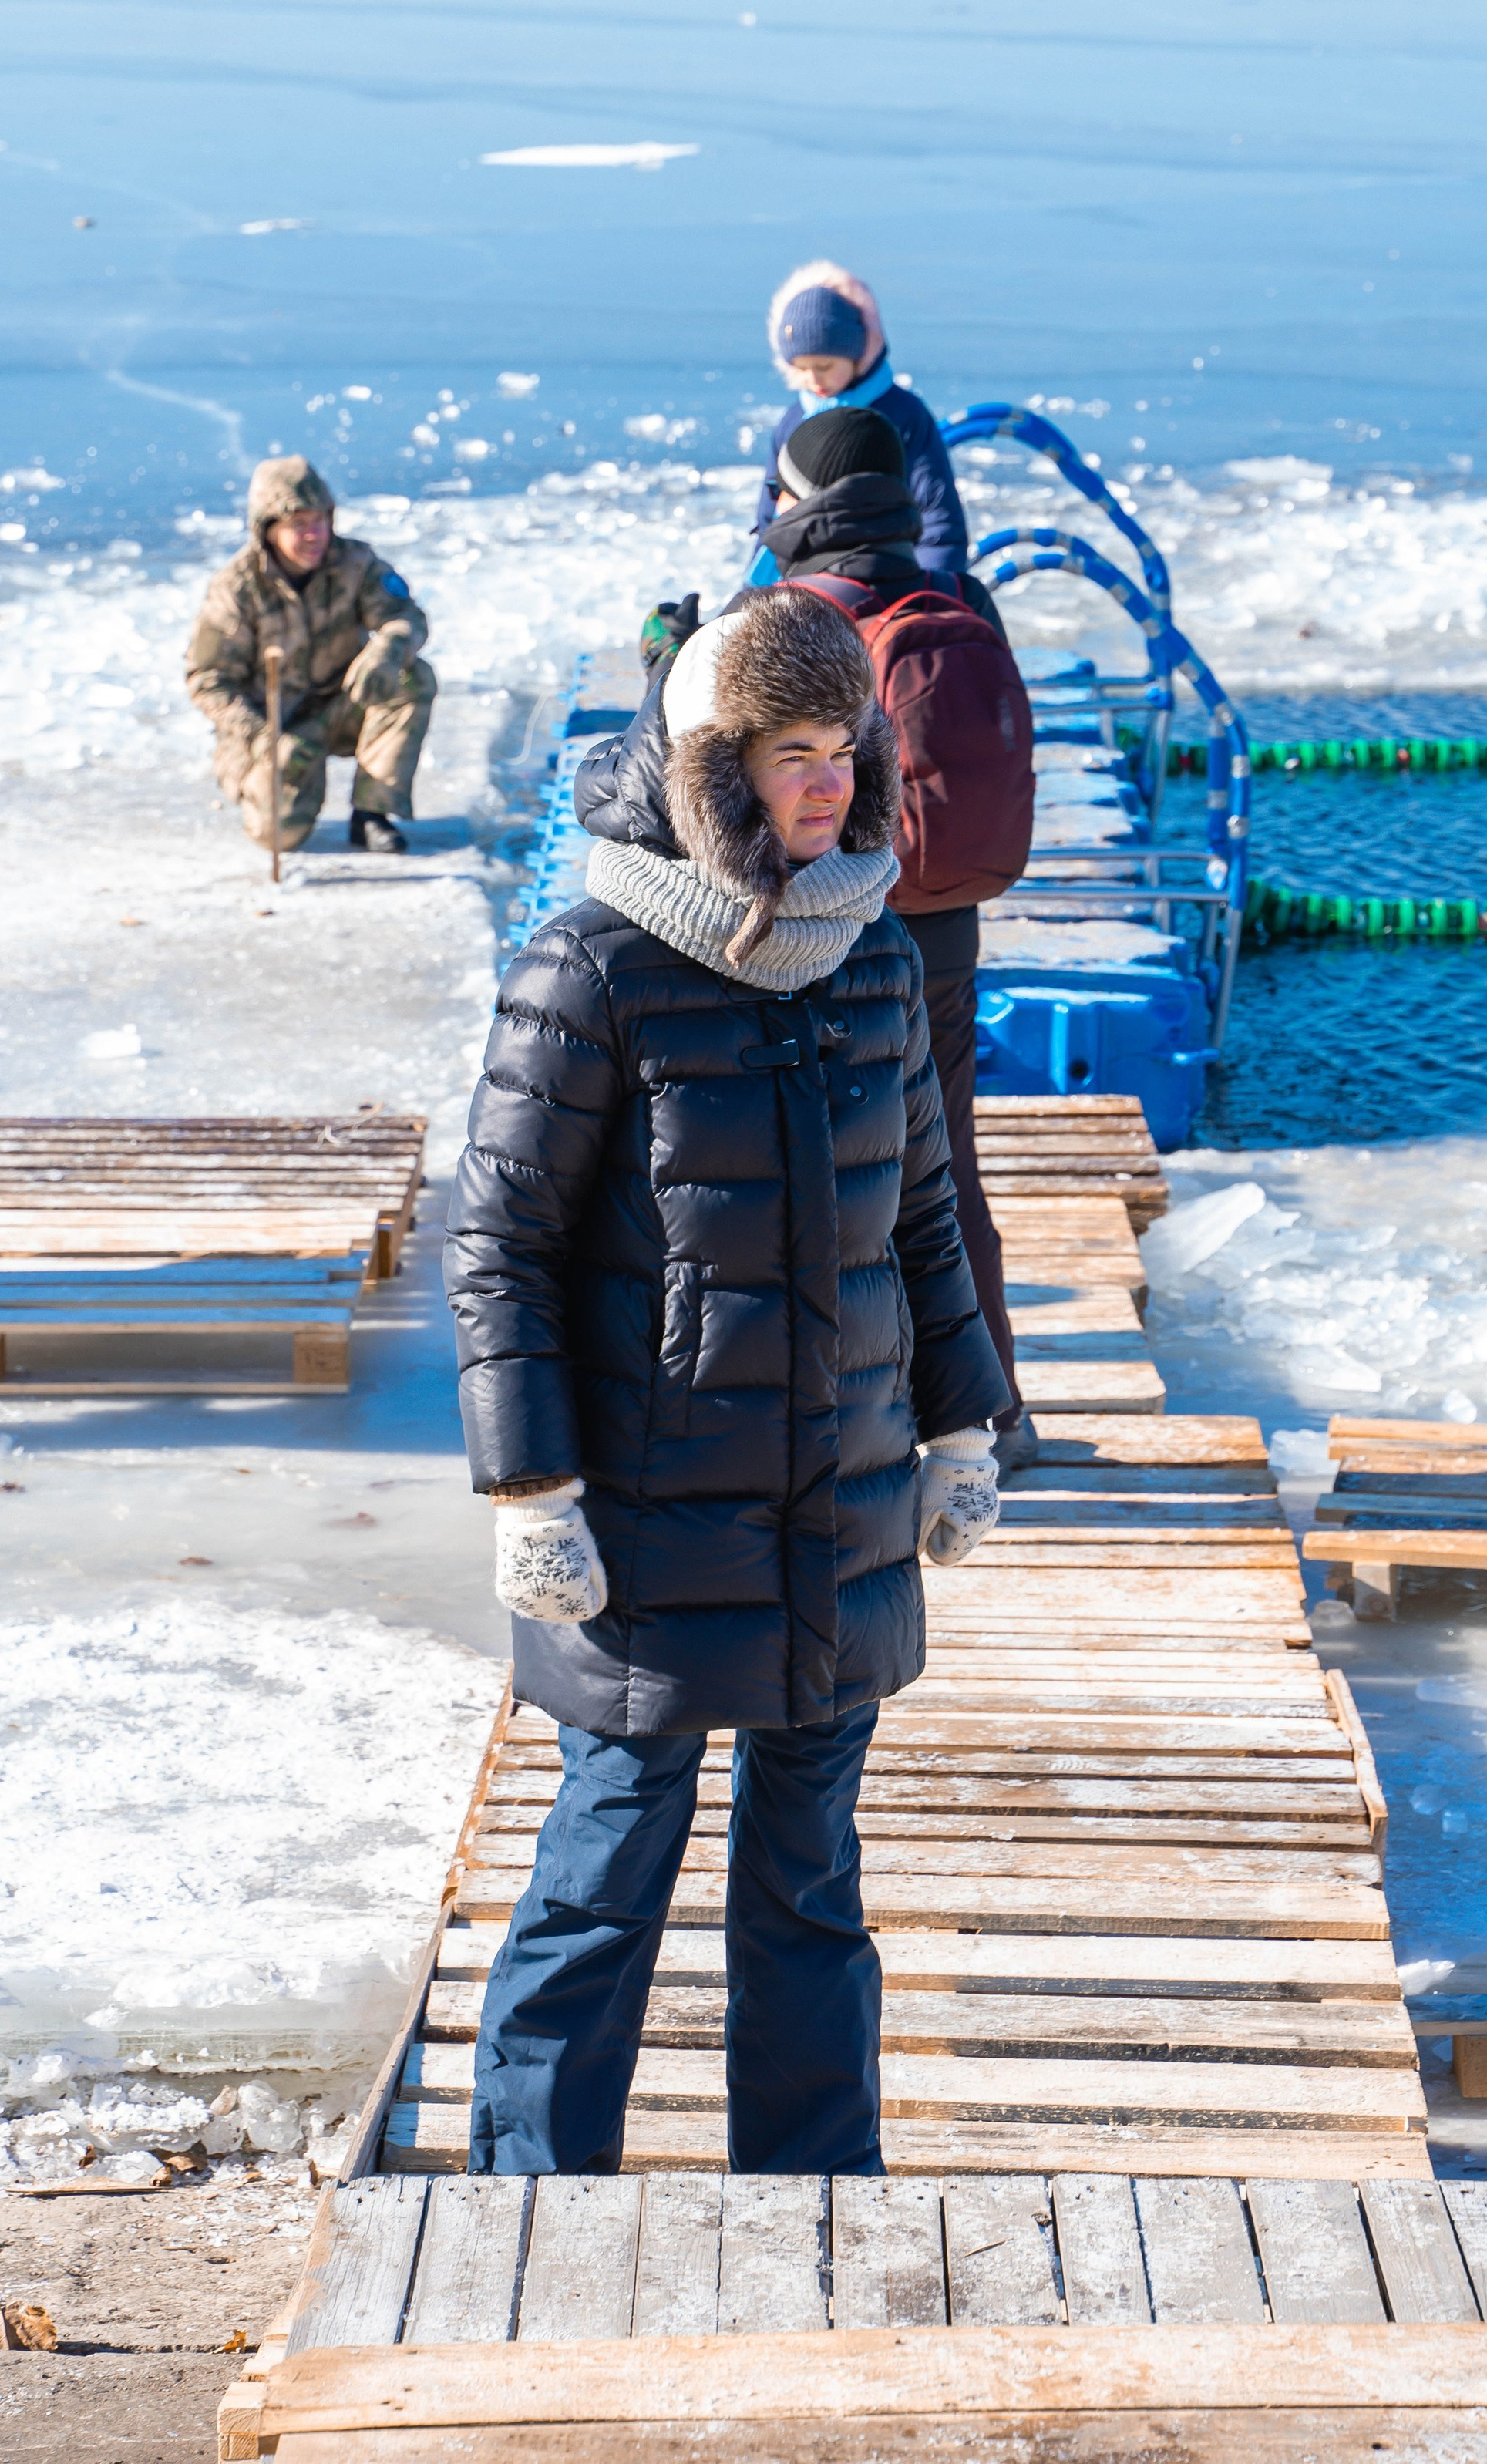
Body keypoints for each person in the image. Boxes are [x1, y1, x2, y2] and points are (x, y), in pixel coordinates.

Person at [446, 585, 1008, 2177]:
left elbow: (918, 1222)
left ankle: (813, 2201)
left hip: (837, 1508)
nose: (824, 781)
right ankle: (528, 2206)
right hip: (643, 1520)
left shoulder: (873, 960)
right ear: (711, 764)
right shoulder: (595, 964)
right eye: (786, 751)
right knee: (603, 1873)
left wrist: (963, 1428)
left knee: (809, 1890)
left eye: (843, 748)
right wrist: (530, 1487)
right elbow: (497, 1246)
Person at [759, 406, 1037, 1460]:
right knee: (947, 1166)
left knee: (820, 1178)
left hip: (824, 937)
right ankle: (996, 1412)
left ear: (804, 501)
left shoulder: (785, 619)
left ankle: (843, 1431)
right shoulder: (959, 597)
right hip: (947, 928)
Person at [183, 454, 434, 855]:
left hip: (342, 706)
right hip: (273, 730)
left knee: (412, 677)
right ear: (268, 529)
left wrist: (389, 648)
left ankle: (372, 813)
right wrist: (261, 736)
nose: (315, 535)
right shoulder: (236, 589)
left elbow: (404, 615)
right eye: (299, 525)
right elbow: (206, 679)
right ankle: (282, 786)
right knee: (279, 836)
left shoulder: (354, 562)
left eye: (320, 521)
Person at [755, 261, 970, 581]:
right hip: (807, 583)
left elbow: (938, 517)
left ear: (857, 352)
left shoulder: (903, 415)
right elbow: (772, 518)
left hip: (892, 578)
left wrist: (933, 592)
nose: (813, 378)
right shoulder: (794, 421)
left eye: (825, 365)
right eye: (801, 367)